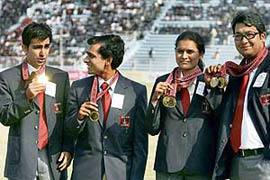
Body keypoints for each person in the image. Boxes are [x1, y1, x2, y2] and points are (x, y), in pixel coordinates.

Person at [65, 34, 148, 180]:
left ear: (108, 61)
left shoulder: (136, 92)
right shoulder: (78, 88)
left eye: (91, 56)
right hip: (86, 173)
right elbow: (68, 131)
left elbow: (140, 144)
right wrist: (78, 118)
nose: (85, 60)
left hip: (121, 173)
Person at [0, 22, 73, 180]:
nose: (43, 53)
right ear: (24, 48)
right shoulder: (7, 78)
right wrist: (26, 97)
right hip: (22, 159)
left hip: (53, 157)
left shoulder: (61, 77)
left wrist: (68, 148)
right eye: (37, 47)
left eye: (46, 46)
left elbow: (67, 117)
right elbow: (5, 117)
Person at [205, 11, 270, 180]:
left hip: (264, 162)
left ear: (262, 36)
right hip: (236, 162)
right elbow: (223, 115)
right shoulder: (237, 73)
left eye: (249, 34)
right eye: (238, 36)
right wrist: (214, 88)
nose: (243, 41)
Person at [145, 31, 218, 180]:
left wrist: (212, 90)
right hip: (168, 164)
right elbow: (152, 129)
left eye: (190, 51)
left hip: (201, 164)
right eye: (180, 51)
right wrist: (154, 100)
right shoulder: (163, 82)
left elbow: (220, 117)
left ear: (201, 54)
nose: (184, 56)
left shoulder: (210, 82)